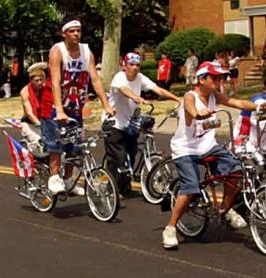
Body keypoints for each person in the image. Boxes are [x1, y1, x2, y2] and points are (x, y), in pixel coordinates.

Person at [162, 61, 266, 250]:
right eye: (215, 77)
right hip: (185, 149)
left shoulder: (215, 96)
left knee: (237, 171)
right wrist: (198, 113)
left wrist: (259, 106)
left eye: (221, 77)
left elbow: (237, 103)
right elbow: (189, 107)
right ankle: (170, 228)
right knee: (190, 188)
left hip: (208, 147)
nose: (220, 81)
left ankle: (225, 210)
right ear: (202, 79)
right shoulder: (191, 96)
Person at [47, 15, 115, 195]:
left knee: (75, 146)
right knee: (57, 143)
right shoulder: (58, 51)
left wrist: (106, 105)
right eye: (72, 31)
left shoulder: (87, 52)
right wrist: (59, 110)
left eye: (78, 31)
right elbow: (55, 81)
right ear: (64, 34)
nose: (76, 34)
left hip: (76, 106)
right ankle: (54, 177)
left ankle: (69, 179)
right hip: (56, 107)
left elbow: (95, 79)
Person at [105, 52, 180, 196]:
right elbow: (124, 90)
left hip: (130, 123)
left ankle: (125, 188)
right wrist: (137, 97)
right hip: (114, 123)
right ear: (124, 66)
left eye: (137, 65)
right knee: (119, 158)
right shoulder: (119, 77)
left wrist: (177, 99)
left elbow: (158, 89)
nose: (135, 68)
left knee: (131, 154)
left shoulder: (140, 78)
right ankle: (111, 189)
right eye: (131, 65)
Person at [18, 63, 52, 144]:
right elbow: (29, 113)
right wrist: (40, 125)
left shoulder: (46, 89)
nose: (40, 82)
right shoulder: (25, 91)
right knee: (39, 143)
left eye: (41, 79)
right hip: (29, 123)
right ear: (31, 80)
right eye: (36, 80)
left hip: (45, 122)